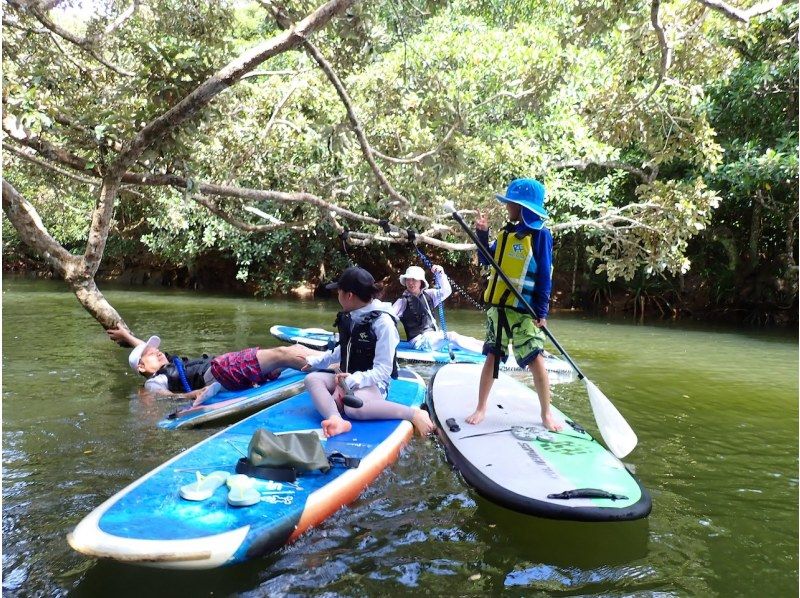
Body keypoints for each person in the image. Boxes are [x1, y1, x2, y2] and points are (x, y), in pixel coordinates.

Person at [467, 178, 563, 432]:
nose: (507, 206)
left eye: (511, 203)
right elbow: (486, 259)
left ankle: (546, 414)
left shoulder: (541, 236)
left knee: (536, 359)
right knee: (492, 357)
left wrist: (542, 311)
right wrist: (482, 233)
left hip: (525, 311)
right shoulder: (506, 233)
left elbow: (544, 274)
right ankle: (481, 407)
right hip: (499, 309)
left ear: (523, 207)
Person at [302, 266, 435, 438]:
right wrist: (315, 361)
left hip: (374, 383)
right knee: (312, 379)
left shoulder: (383, 324)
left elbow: (383, 371)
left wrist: (353, 381)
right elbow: (344, 348)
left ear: (349, 295)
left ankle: (414, 414)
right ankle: (335, 419)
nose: (337, 295)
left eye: (339, 291)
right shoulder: (352, 315)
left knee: (353, 408)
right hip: (347, 376)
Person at [107, 325, 318, 407]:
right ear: (142, 367)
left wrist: (126, 336)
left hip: (224, 368)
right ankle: (339, 363)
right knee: (284, 353)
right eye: (150, 353)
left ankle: (335, 361)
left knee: (287, 355)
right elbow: (163, 396)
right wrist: (196, 393)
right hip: (221, 371)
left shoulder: (169, 363)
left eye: (155, 349)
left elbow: (144, 352)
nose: (156, 350)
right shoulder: (156, 380)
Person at [392, 264, 485, 354]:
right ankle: (487, 353)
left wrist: (441, 274)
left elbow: (446, 291)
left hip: (434, 337)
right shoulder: (401, 302)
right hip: (419, 342)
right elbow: (387, 318)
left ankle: (492, 350)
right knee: (451, 336)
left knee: (462, 338)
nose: (411, 283)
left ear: (421, 282)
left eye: (414, 279)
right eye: (408, 279)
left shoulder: (429, 294)